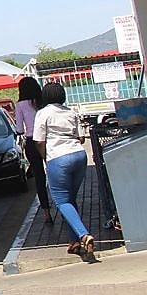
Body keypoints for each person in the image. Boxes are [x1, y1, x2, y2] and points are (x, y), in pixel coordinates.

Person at [33, 83, 97, 262]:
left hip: (58, 158)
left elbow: (38, 140)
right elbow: (81, 137)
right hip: (79, 155)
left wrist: (46, 157)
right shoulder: (70, 112)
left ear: (45, 97)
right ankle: (74, 242)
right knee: (69, 200)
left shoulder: (43, 113)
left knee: (61, 201)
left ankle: (84, 236)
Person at [14, 77, 53, 223]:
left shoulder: (20, 105)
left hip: (32, 141)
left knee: (39, 177)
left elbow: (19, 129)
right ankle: (62, 205)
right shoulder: (43, 102)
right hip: (48, 140)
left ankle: (46, 212)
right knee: (54, 172)